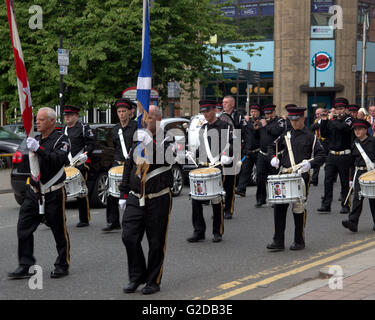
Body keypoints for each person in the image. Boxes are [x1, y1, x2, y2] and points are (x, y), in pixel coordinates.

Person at [8, 107, 71, 279]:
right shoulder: (35, 139)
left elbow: (57, 160)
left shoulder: (61, 139)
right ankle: (25, 264)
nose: (37, 122)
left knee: (59, 230)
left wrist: (39, 150)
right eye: (37, 119)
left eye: (41, 119)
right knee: (23, 227)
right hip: (34, 192)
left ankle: (62, 264)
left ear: (51, 121)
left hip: (53, 192)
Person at [119, 105, 173, 295]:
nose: (144, 121)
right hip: (136, 197)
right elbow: (129, 165)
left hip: (157, 198)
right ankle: (136, 276)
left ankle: (153, 280)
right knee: (129, 236)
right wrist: (123, 193)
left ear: (157, 120)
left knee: (156, 241)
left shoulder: (168, 139)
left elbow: (165, 158)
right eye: (143, 118)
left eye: (148, 118)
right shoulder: (139, 137)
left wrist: (149, 143)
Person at [267, 105, 325, 251]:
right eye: (292, 120)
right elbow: (271, 147)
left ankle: (299, 240)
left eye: (297, 120)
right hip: (285, 174)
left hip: (301, 175)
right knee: (279, 207)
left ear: (303, 119)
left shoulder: (310, 136)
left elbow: (321, 155)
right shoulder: (285, 135)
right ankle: (278, 241)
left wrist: (310, 164)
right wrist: (273, 158)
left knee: (298, 208)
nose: (294, 123)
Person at [187, 100, 234, 242]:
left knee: (216, 199)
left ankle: (217, 231)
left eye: (208, 111)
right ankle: (199, 231)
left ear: (214, 110)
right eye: (203, 112)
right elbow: (202, 148)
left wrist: (228, 155)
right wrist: (190, 155)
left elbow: (233, 143)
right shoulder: (203, 128)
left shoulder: (225, 126)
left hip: (218, 165)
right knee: (196, 198)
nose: (205, 114)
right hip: (203, 165)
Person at [102, 99, 137, 232]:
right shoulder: (115, 129)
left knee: (131, 192)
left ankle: (131, 220)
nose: (121, 114)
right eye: (119, 111)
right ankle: (113, 221)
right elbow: (114, 147)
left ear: (129, 112)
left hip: (132, 165)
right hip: (118, 164)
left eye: (124, 111)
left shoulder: (136, 126)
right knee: (111, 193)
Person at [317, 97, 353, 214]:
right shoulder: (332, 121)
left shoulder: (349, 119)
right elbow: (324, 134)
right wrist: (324, 121)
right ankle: (326, 204)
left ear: (346, 109)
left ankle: (345, 204)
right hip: (332, 155)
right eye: (337, 109)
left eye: (341, 108)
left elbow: (343, 128)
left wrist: (331, 119)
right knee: (327, 181)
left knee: (344, 181)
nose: (339, 111)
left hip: (345, 155)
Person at [63, 105, 96, 227]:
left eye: (70, 115)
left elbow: (91, 144)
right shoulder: (64, 130)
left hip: (80, 164)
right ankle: (61, 219)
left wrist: (86, 154)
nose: (67, 117)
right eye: (66, 115)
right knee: (62, 193)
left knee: (81, 191)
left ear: (76, 116)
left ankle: (84, 219)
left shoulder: (83, 128)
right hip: (67, 166)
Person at [342, 119, 375, 233]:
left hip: (372, 173)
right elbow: (352, 163)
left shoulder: (373, 142)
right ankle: (353, 222)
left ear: (366, 130)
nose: (357, 131)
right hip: (359, 173)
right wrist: (351, 179)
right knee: (357, 197)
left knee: (373, 199)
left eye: (360, 129)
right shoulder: (355, 143)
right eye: (355, 129)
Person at [255, 104, 286, 207]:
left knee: (274, 176)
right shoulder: (262, 122)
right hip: (262, 153)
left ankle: (275, 197)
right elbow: (255, 135)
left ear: (274, 112)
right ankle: (261, 199)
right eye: (266, 114)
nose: (268, 115)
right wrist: (254, 127)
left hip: (275, 153)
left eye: (270, 113)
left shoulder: (280, 122)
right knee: (260, 176)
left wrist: (265, 126)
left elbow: (276, 132)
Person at [221, 95, 244, 218]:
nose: (224, 104)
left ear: (232, 104)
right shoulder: (219, 117)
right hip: (220, 152)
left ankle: (228, 209)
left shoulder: (239, 116)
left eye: (226, 102)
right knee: (219, 182)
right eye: (223, 102)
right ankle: (219, 208)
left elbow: (243, 133)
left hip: (233, 151)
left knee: (229, 183)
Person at [235, 103, 261, 196]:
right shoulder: (246, 122)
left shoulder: (261, 122)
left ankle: (261, 195)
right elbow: (240, 130)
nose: (253, 113)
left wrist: (252, 126)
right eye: (252, 112)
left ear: (258, 112)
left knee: (260, 173)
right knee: (245, 170)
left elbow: (258, 133)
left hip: (258, 151)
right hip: (248, 151)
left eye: (255, 112)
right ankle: (241, 189)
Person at [310, 107, 329, 186]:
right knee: (316, 161)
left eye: (318, 114)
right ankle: (314, 179)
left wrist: (321, 122)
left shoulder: (327, 121)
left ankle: (329, 178)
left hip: (326, 143)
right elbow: (311, 128)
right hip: (317, 142)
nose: (317, 115)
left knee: (327, 163)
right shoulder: (316, 121)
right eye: (316, 114)